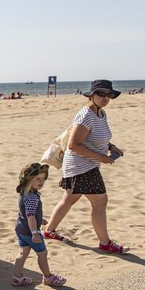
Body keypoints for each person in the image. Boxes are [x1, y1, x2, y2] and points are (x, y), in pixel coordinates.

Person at [43, 79, 128, 253]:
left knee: (69, 199)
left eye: (109, 95)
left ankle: (49, 231)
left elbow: (96, 137)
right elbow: (74, 144)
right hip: (81, 166)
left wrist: (111, 147)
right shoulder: (86, 115)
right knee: (100, 202)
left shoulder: (101, 114)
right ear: (92, 95)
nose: (105, 98)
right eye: (101, 94)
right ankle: (105, 243)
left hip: (85, 165)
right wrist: (101, 157)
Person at [13, 163, 66, 287]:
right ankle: (48, 277)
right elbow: (30, 216)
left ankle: (17, 277)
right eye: (37, 178)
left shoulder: (24, 193)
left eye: (43, 178)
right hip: (29, 231)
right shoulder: (32, 197)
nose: (41, 181)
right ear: (28, 180)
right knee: (42, 254)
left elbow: (26, 213)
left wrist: (40, 219)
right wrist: (35, 233)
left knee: (23, 253)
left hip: (20, 228)